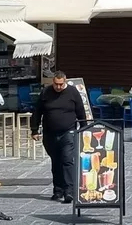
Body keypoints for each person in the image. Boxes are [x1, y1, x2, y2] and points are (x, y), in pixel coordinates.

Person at [30, 72, 88, 203]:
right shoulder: (46, 92)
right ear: (52, 81)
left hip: (68, 132)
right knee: (56, 162)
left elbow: (80, 110)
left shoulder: (73, 92)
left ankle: (69, 191)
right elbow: (37, 111)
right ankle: (58, 190)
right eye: (56, 84)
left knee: (67, 160)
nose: (58, 87)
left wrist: (84, 128)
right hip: (50, 133)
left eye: (61, 84)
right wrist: (34, 130)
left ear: (65, 81)